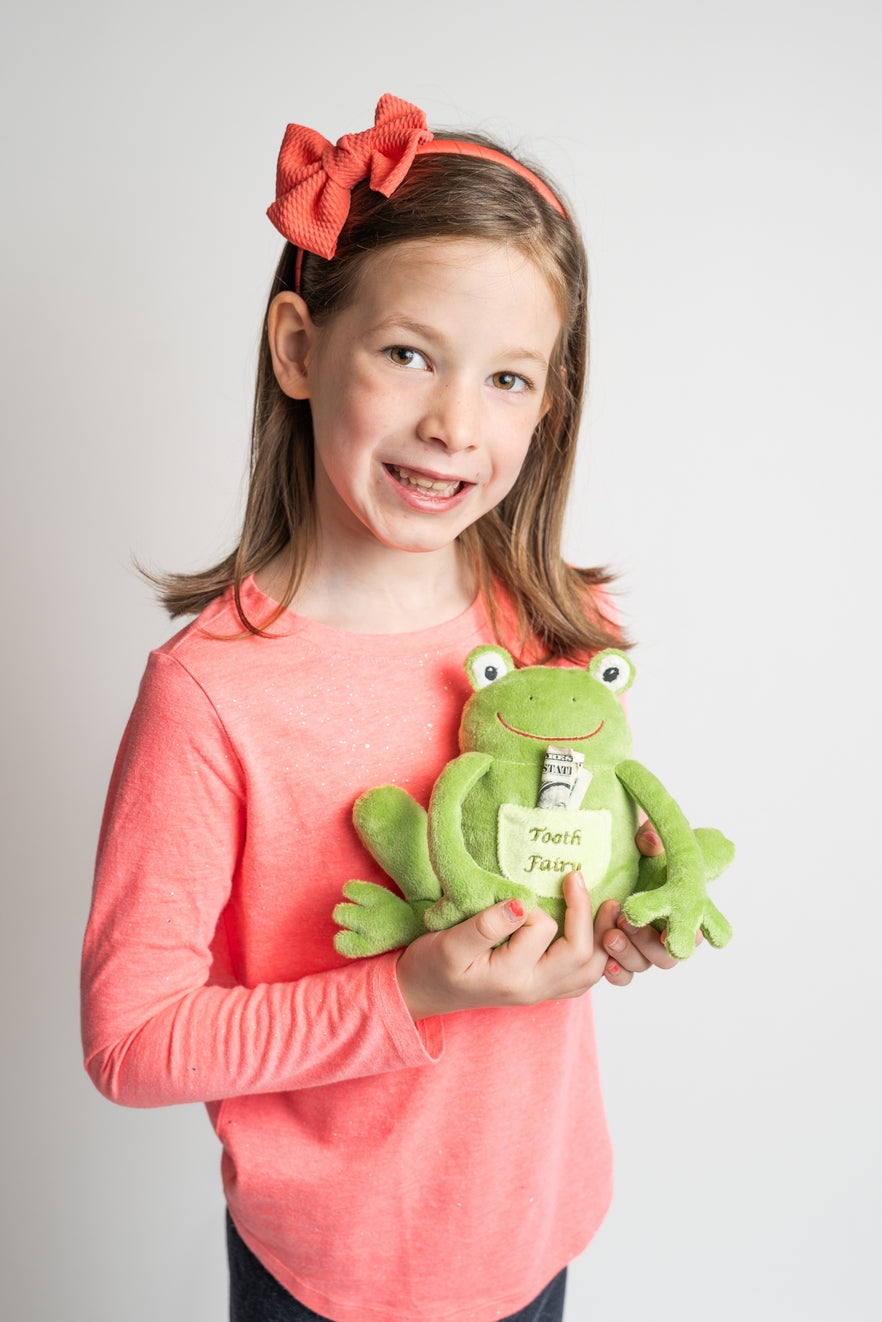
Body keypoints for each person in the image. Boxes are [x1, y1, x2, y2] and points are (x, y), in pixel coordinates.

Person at [81, 94, 678, 1322]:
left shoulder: (562, 628)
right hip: (330, 1274)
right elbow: (131, 1040)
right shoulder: (211, 693)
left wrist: (630, 916)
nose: (454, 422)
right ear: (300, 346)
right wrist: (408, 989)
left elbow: (588, 854)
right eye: (409, 353)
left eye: (507, 377)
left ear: (550, 402)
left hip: (534, 1225)